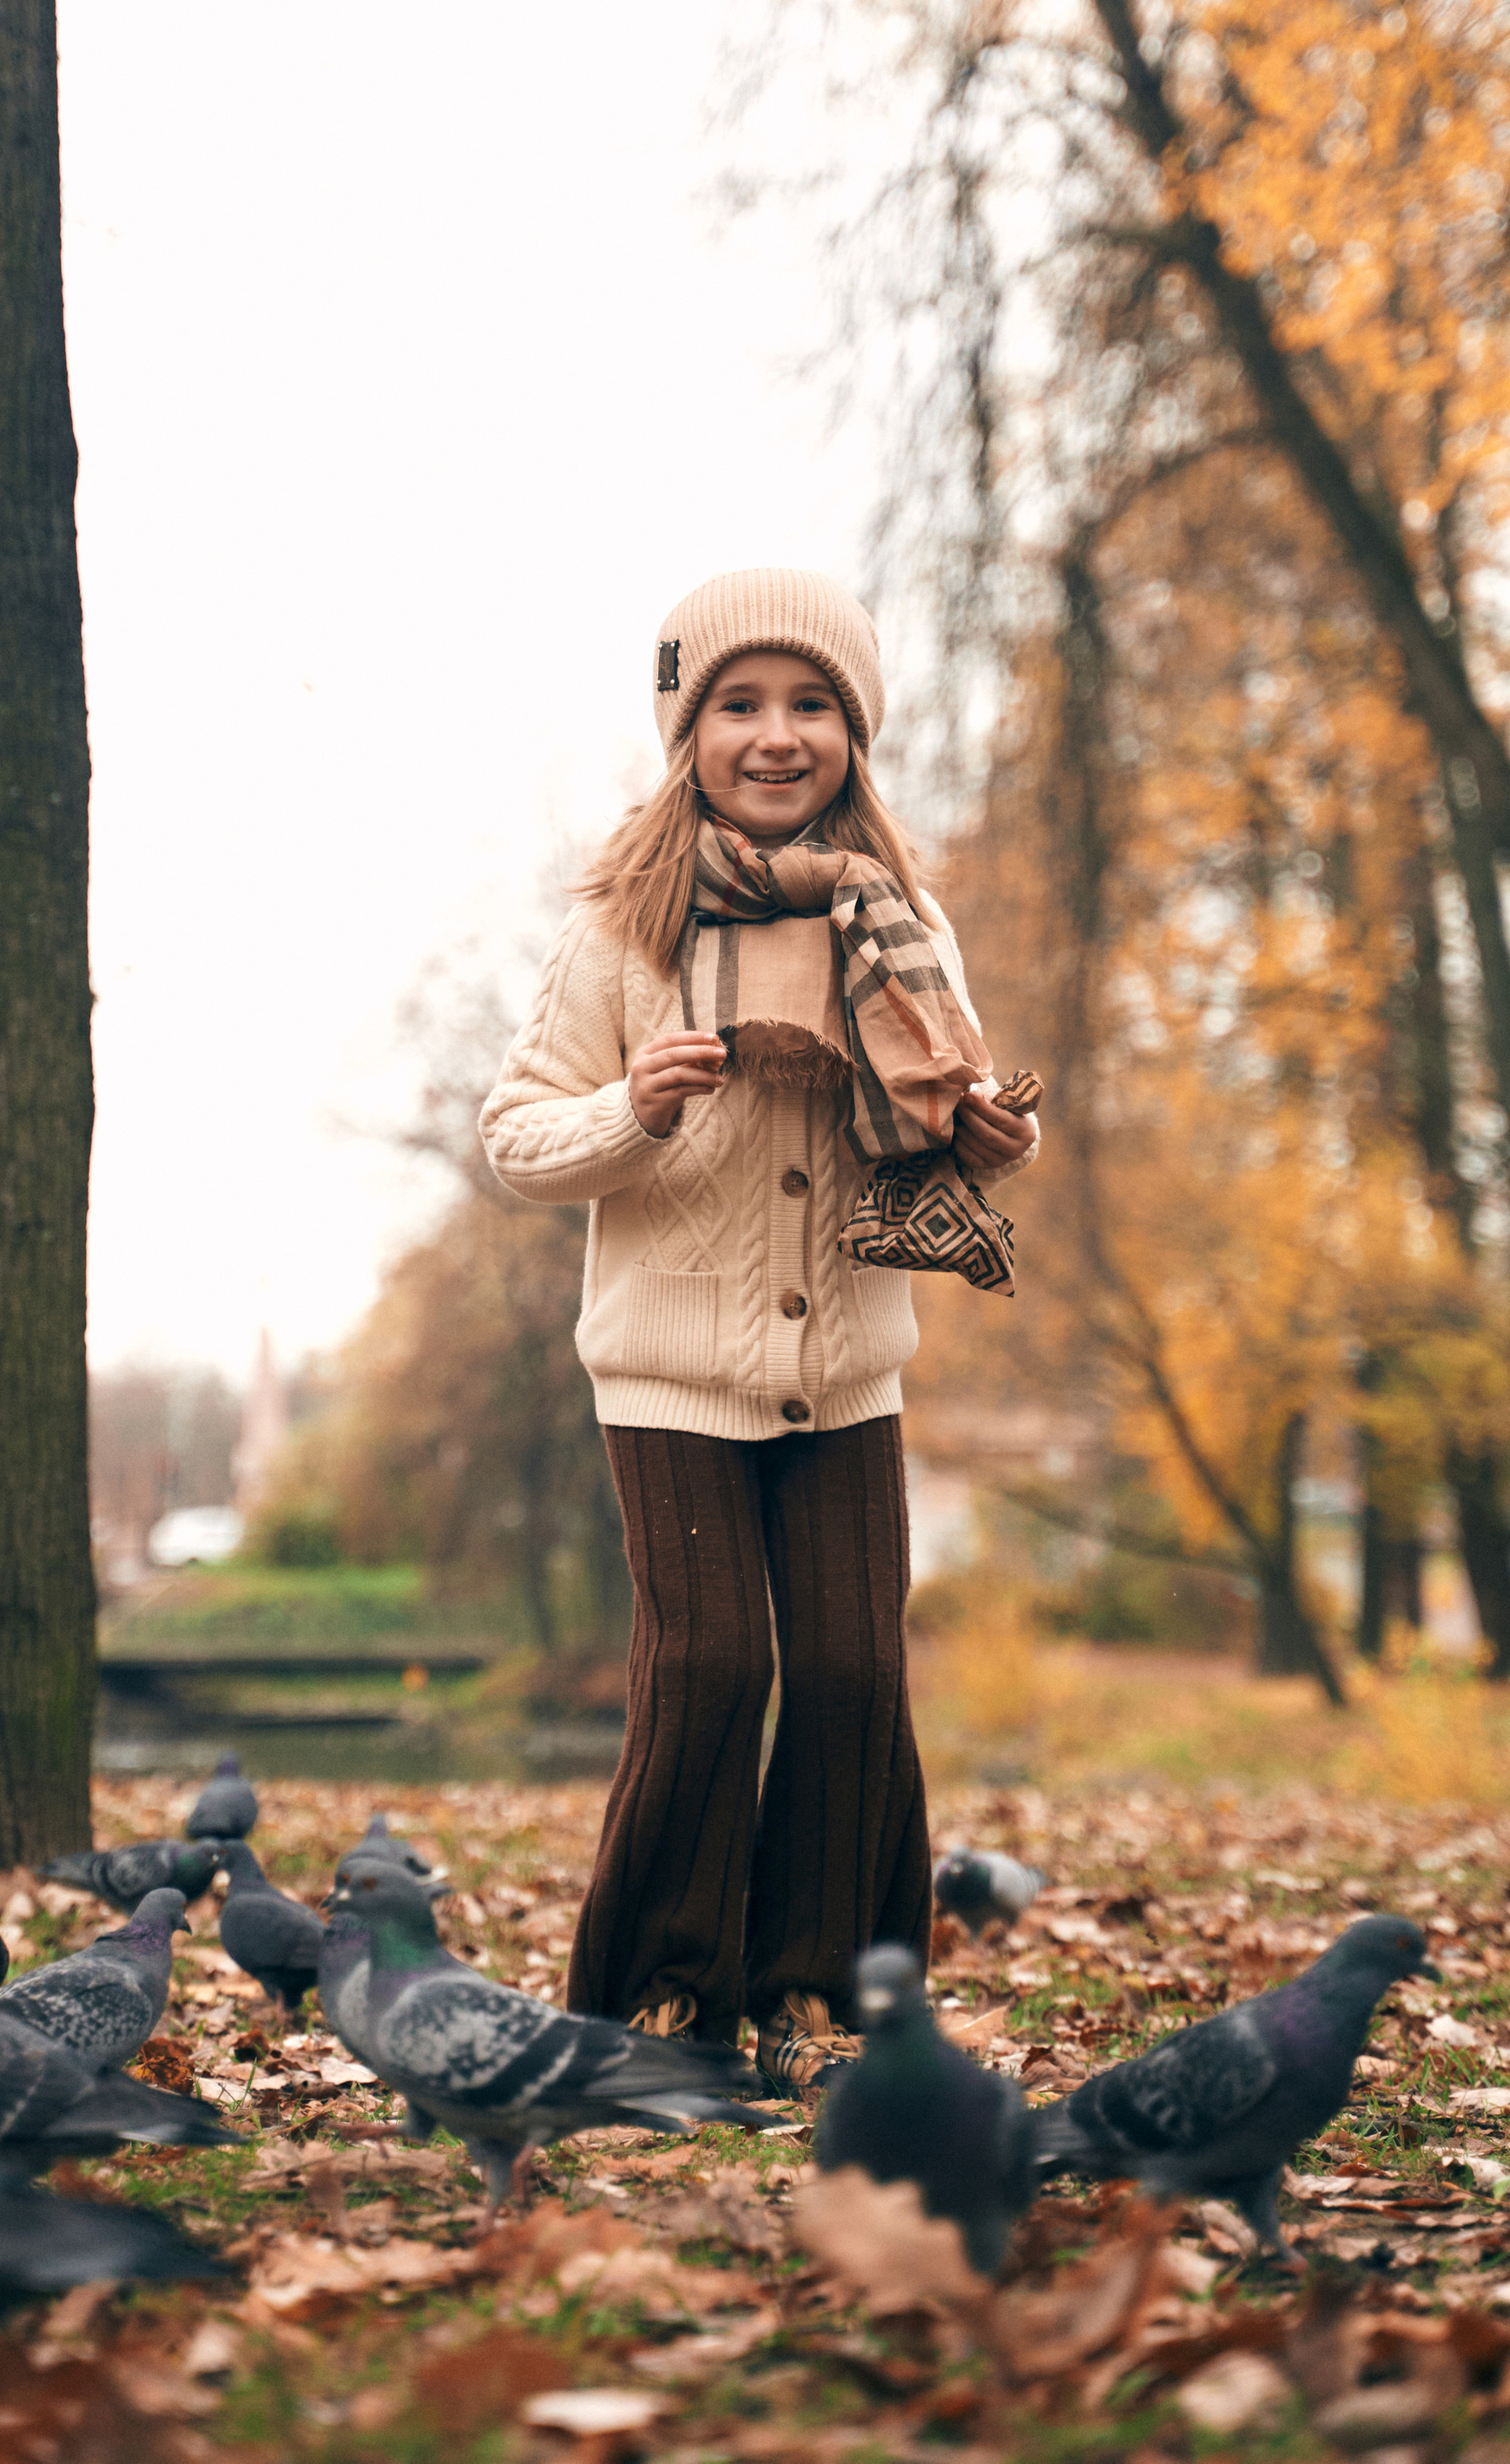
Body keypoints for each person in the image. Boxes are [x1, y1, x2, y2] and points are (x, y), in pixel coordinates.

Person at [480, 566, 1038, 2094]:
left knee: (856, 1674)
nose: (775, 737)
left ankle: (826, 2001)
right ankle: (660, 2001)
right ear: (689, 733)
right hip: (671, 1373)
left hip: (849, 1369)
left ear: (854, 733)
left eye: (811, 707)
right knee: (714, 1665)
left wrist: (988, 1138)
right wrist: (631, 1105)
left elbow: (945, 1112)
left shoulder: (902, 924)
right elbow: (517, 1137)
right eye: (739, 705)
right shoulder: (624, 931)